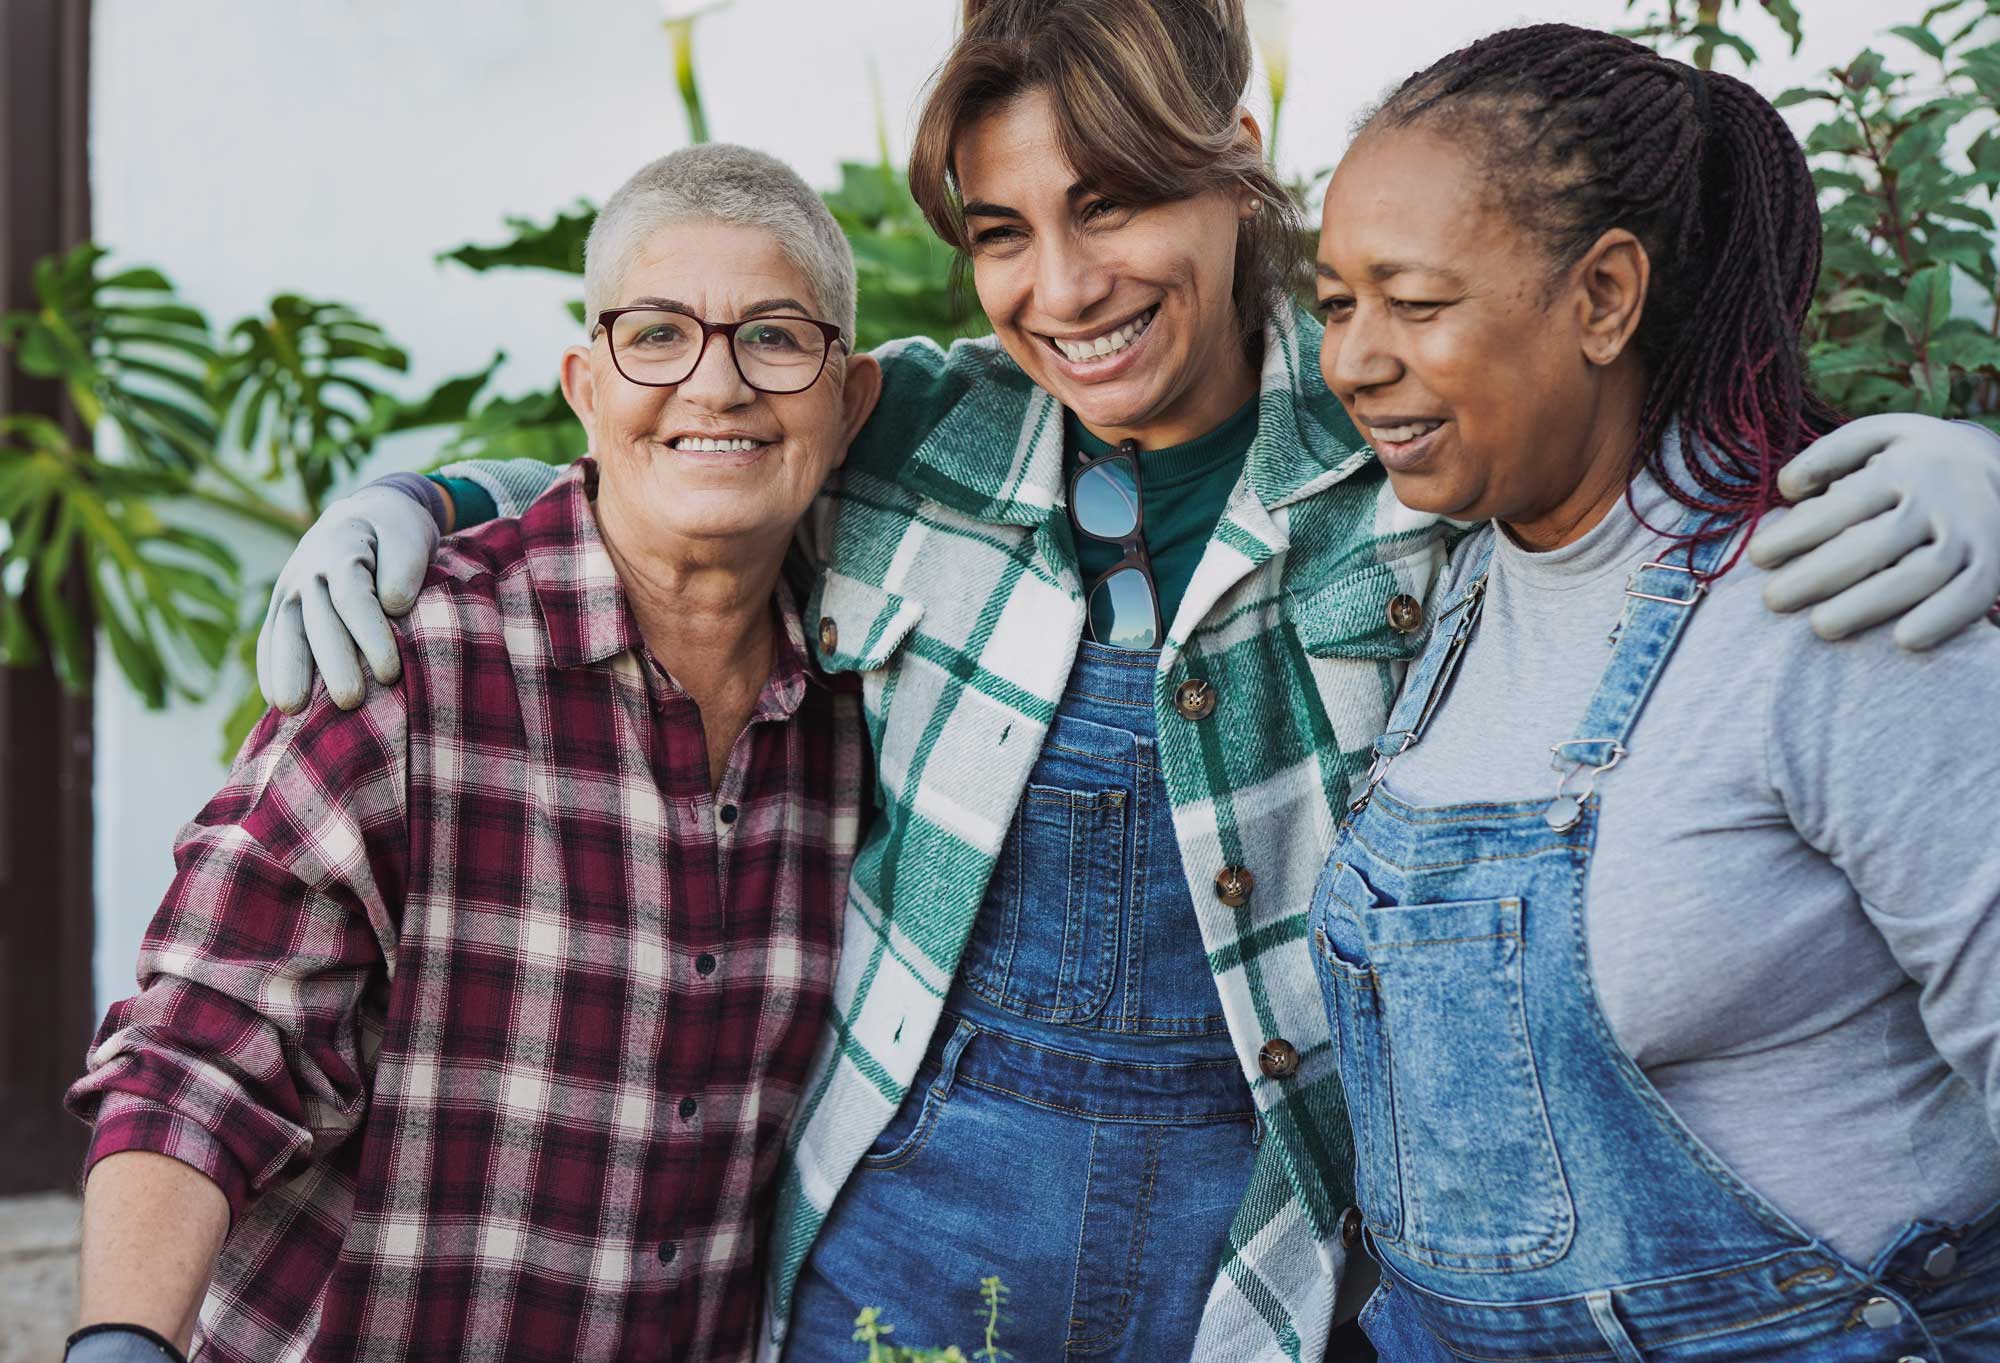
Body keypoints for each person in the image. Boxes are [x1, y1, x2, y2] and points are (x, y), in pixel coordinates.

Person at [253, 3, 2000, 1360]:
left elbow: (1657, 471)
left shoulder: (1410, 433)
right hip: (905, 1222)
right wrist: (419, 505)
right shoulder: (922, 433)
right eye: (1001, 230)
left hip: (1252, 1245)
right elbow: (693, 449)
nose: (1062, 286)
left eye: (1114, 203)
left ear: (1237, 159)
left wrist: (1965, 468)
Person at [63, 145, 877, 1363]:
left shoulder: (863, 704)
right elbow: (205, 1047)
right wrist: (122, 1340)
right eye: (657, 335)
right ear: (585, 384)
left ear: (850, 397)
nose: (714, 385)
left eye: (771, 335)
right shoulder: (411, 661)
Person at [1310, 24, 2000, 1362]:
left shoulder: (1836, 603)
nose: (1353, 359)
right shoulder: (1465, 587)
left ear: (1605, 295)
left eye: (1416, 300)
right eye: (1336, 302)